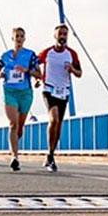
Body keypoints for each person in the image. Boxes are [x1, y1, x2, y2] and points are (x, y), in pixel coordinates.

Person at [0, 27, 41, 171]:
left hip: (25, 93)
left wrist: (27, 71)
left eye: (22, 36)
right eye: (17, 36)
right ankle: (15, 156)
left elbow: (39, 74)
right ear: (12, 38)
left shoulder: (30, 55)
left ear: (24, 38)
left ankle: (15, 145)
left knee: (20, 127)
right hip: (10, 91)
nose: (19, 39)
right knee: (13, 124)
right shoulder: (6, 55)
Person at [38, 24, 83, 172]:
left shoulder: (71, 54)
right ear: (55, 35)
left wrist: (72, 69)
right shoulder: (47, 52)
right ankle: (50, 156)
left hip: (63, 92)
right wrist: (37, 78)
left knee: (58, 126)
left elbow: (79, 73)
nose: (62, 37)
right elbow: (34, 65)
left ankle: (50, 154)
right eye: (60, 34)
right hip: (49, 89)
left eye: (65, 34)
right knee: (53, 119)